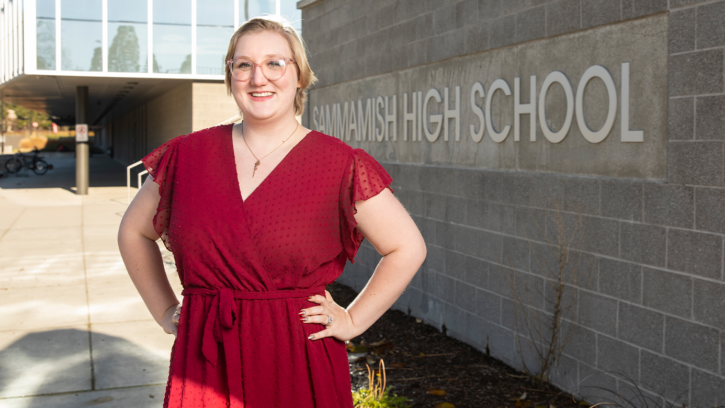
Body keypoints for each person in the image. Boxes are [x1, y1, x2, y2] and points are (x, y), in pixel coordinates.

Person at [117, 15, 426, 408]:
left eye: (274, 63)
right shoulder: (187, 155)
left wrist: (353, 320)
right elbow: (133, 232)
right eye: (243, 65)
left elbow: (406, 247)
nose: (258, 78)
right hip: (204, 357)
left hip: (297, 355)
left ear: (299, 76)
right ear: (231, 76)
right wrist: (164, 311)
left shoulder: (338, 163)